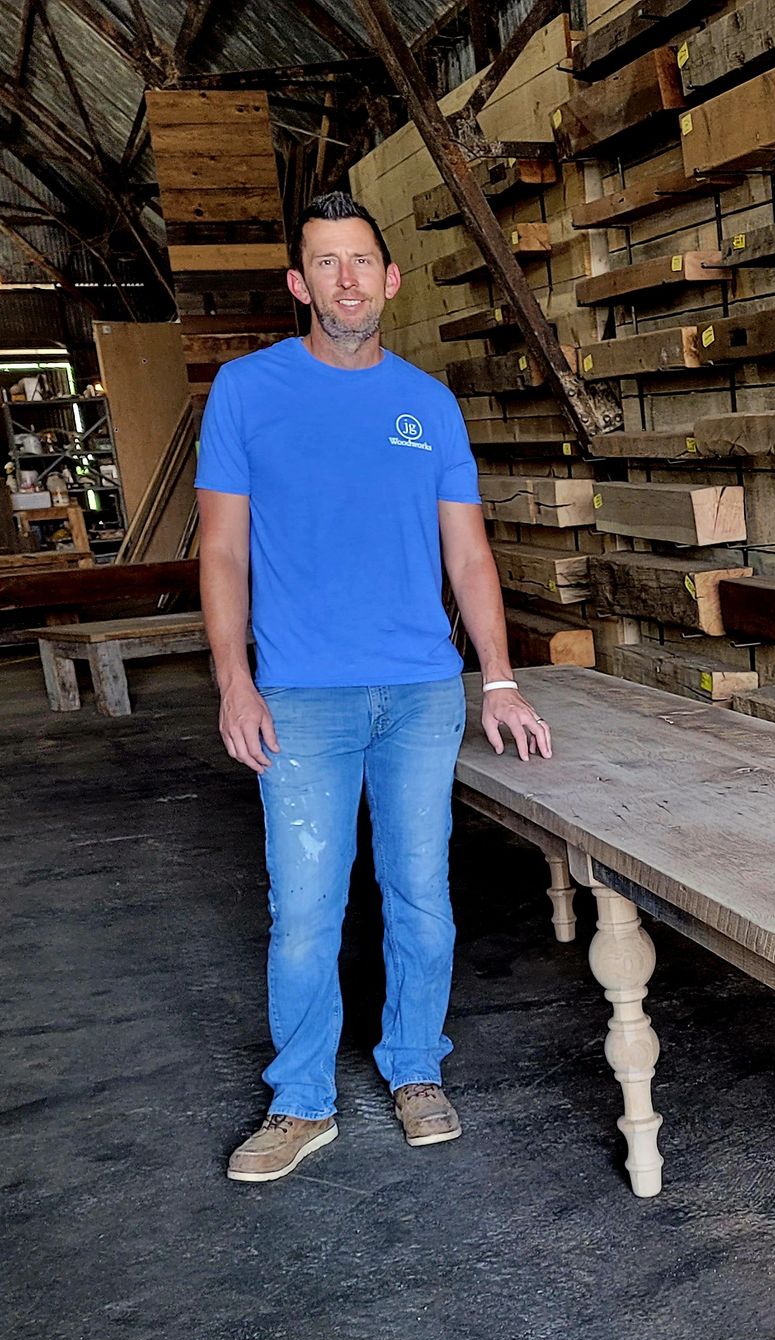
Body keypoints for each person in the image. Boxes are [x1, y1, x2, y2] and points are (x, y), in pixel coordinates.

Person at [197, 189, 552, 1184]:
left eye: (362, 261)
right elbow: (221, 555)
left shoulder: (427, 405)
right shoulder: (246, 391)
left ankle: (414, 1068)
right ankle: (303, 1101)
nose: (346, 279)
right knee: (306, 908)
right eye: (326, 262)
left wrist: (502, 681)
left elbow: (470, 556)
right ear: (298, 284)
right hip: (301, 696)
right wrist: (235, 682)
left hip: (419, 694)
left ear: (390, 280)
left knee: (420, 896)